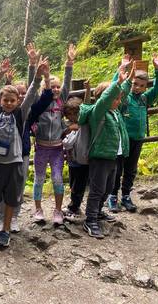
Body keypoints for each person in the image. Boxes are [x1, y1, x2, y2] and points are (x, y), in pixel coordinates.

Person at [0, 53, 49, 250]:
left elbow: (32, 94)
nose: (8, 103)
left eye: (12, 100)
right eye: (5, 100)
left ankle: (6, 231)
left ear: (17, 101)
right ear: (0, 100)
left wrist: (38, 76)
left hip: (14, 163)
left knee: (10, 200)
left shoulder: (21, 114)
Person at [79, 64, 133, 238]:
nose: (118, 101)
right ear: (105, 98)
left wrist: (126, 79)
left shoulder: (115, 112)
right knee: (97, 189)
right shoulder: (99, 112)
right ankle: (90, 219)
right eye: (115, 98)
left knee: (108, 187)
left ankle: (99, 211)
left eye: (119, 99)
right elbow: (106, 98)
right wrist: (117, 83)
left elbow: (121, 93)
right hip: (100, 157)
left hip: (113, 157)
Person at [108, 53, 158, 213]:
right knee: (117, 169)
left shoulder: (145, 99)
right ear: (131, 83)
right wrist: (123, 67)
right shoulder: (124, 98)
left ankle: (126, 195)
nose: (137, 87)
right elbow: (114, 87)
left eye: (141, 85)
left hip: (138, 139)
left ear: (145, 86)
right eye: (134, 84)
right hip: (122, 140)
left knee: (131, 169)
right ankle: (112, 195)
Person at [32, 43, 76, 225]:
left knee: (58, 178)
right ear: (46, 89)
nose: (56, 90)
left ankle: (58, 211)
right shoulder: (40, 102)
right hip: (41, 148)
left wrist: (69, 62)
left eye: (58, 87)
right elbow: (31, 87)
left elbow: (67, 81)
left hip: (57, 149)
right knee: (39, 179)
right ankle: (38, 209)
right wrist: (36, 68)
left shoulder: (62, 101)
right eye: (53, 87)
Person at [62, 80, 91, 219]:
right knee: (73, 184)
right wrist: (68, 130)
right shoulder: (68, 127)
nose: (73, 117)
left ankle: (74, 207)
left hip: (84, 160)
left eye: (76, 114)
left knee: (79, 185)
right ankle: (75, 205)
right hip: (73, 161)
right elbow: (64, 142)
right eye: (70, 115)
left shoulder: (84, 125)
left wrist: (88, 90)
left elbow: (87, 105)